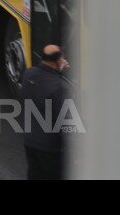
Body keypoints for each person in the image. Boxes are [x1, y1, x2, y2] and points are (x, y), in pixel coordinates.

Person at [21, 44, 74, 180]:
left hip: (30, 141)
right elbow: (66, 123)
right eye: (63, 58)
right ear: (57, 62)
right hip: (51, 149)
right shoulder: (60, 87)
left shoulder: (29, 74)